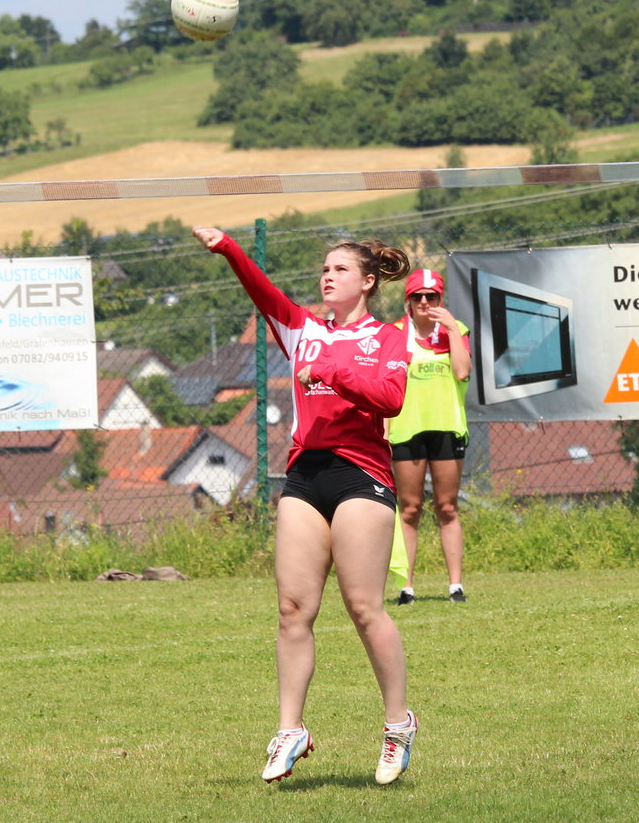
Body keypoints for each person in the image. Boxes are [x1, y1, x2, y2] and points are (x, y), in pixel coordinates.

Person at [193, 226, 418, 785]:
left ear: (367, 282)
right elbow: (260, 291)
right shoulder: (302, 329)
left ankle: (398, 726)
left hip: (360, 472)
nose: (327, 276)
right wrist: (227, 247)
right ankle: (290, 730)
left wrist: (335, 372)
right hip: (304, 474)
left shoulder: (387, 338)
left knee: (364, 608)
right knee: (293, 610)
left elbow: (391, 397)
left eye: (339, 270)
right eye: (323, 268)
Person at [388, 269, 471, 604]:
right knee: (409, 508)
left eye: (431, 296)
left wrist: (451, 327)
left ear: (441, 299)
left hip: (447, 426)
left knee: (447, 507)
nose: (424, 302)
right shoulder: (393, 334)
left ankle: (455, 586)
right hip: (405, 429)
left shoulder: (457, 330)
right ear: (407, 300)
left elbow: (462, 372)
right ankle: (406, 588)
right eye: (417, 296)